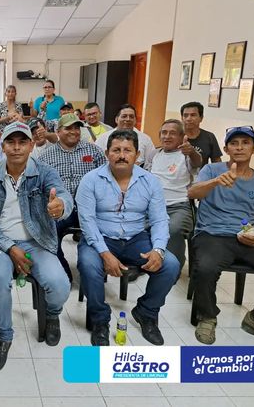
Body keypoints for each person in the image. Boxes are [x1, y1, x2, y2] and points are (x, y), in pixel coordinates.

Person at [0, 122, 73, 370]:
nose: (16, 147)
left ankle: (52, 314)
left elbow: (63, 195)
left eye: (22, 142)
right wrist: (10, 247)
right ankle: (4, 336)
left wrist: (61, 206)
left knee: (60, 284)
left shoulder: (45, 172)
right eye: (11, 142)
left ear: (31, 145)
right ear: (3, 146)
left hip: (36, 242)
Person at [76, 130, 180, 346]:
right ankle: (100, 320)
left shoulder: (150, 181)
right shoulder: (91, 180)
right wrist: (105, 254)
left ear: (137, 155)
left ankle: (146, 312)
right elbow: (87, 222)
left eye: (127, 150)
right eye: (116, 150)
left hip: (136, 239)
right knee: (88, 264)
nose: (121, 155)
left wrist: (158, 249)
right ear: (107, 153)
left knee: (170, 264)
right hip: (100, 238)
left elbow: (160, 220)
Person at [188, 126, 254, 345]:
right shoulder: (211, 170)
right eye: (234, 143)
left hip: (248, 239)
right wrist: (216, 182)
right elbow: (192, 193)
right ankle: (207, 317)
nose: (239, 147)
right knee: (205, 267)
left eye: (245, 143)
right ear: (226, 149)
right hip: (212, 234)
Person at [38, 114, 106, 283]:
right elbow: (40, 186)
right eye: (68, 128)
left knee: (105, 229)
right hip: (61, 209)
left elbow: (106, 180)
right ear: (58, 131)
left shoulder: (94, 151)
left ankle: (96, 270)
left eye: (77, 128)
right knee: (47, 231)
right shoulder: (45, 156)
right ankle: (63, 271)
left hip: (90, 208)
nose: (74, 131)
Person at [145, 120, 201, 269]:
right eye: (164, 133)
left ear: (182, 137)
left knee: (172, 230)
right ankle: (142, 264)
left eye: (172, 133)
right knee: (135, 226)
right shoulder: (154, 154)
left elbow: (197, 162)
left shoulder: (186, 155)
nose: (167, 136)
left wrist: (192, 152)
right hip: (153, 206)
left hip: (179, 206)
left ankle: (173, 267)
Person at [180, 101, 223, 168]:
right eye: (185, 115)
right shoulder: (175, 136)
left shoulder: (209, 137)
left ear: (201, 118)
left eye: (193, 115)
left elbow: (217, 162)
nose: (188, 119)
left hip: (202, 174)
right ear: (182, 118)